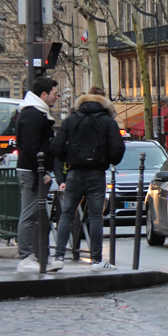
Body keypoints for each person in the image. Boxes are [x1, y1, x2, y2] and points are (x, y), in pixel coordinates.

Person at [49, 86, 125, 270]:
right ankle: (97, 260)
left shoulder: (71, 120)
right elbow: (117, 149)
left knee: (66, 215)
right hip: (96, 173)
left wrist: (69, 157)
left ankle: (59, 257)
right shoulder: (107, 121)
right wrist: (106, 160)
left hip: (74, 173)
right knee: (96, 218)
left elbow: (56, 146)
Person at [14, 77, 60, 273]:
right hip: (32, 171)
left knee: (34, 213)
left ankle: (35, 255)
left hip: (32, 170)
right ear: (44, 95)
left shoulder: (32, 113)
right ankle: (25, 257)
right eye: (54, 94)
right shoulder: (34, 115)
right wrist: (40, 173)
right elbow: (31, 147)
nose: (56, 97)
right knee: (30, 213)